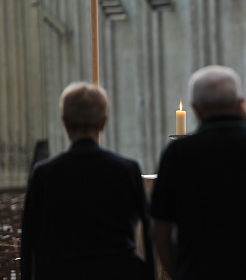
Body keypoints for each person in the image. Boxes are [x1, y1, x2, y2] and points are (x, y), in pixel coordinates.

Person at [151, 65, 246, 280]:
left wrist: (178, 274)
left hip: (199, 272)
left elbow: (160, 229)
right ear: (240, 104)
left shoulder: (178, 153)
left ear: (196, 110)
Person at [20, 82, 155, 280]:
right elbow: (149, 231)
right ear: (103, 122)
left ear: (65, 122)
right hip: (118, 273)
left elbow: (29, 239)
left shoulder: (44, 174)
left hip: (61, 273)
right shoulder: (127, 170)